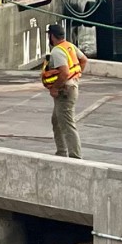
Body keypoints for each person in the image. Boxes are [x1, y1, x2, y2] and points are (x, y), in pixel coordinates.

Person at [41, 22, 86, 158]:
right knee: (56, 120)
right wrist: (76, 77)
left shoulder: (57, 51)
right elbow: (83, 60)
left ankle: (75, 156)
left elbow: (64, 72)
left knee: (67, 124)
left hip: (64, 91)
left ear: (52, 36)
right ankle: (61, 152)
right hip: (71, 87)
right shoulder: (69, 46)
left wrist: (55, 88)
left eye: (49, 35)